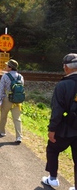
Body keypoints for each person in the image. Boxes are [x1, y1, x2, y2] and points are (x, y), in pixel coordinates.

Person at [41, 53, 77, 190]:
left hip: (64, 128)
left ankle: (53, 178)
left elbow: (57, 110)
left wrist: (52, 129)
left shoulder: (63, 85)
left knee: (52, 149)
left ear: (66, 68)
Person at [0, 59, 24, 143]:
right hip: (17, 100)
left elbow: (1, 89)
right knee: (17, 118)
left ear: (10, 67)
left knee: (3, 116)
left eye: (7, 65)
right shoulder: (20, 76)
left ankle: (2, 131)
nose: (6, 66)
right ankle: (19, 137)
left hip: (7, 99)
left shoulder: (5, 76)